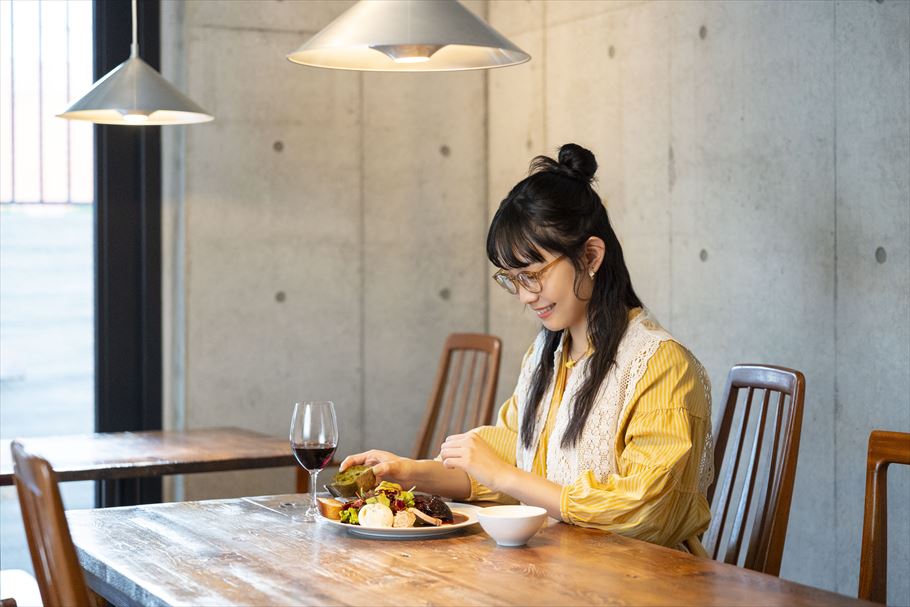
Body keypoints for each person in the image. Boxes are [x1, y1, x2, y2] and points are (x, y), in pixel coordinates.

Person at [341, 143, 713, 552]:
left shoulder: (661, 365)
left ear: (590, 255)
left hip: (646, 583)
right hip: (560, 569)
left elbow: (647, 509)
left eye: (533, 274)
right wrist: (406, 473)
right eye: (513, 279)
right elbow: (508, 457)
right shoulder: (546, 357)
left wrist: (505, 477)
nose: (524, 295)